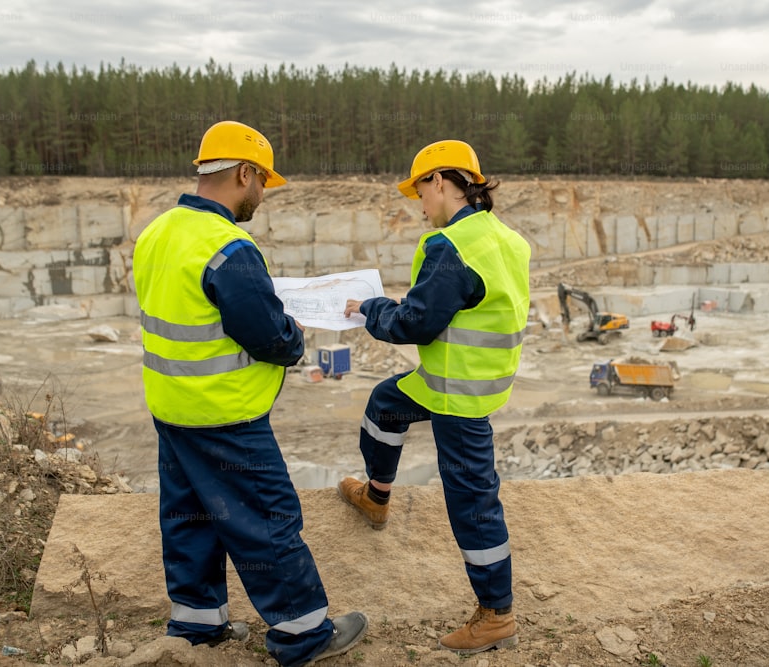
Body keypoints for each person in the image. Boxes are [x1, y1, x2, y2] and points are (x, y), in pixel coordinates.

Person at [132, 120, 367, 667]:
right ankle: (304, 635)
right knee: (266, 520)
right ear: (244, 173)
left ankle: (196, 626)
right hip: (226, 413)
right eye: (262, 182)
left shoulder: (158, 231)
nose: (262, 195)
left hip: (172, 407)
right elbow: (272, 339)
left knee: (189, 515)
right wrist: (294, 332)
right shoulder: (230, 247)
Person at [341, 139, 530, 655]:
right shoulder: (504, 238)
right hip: (471, 377)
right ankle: (376, 498)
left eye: (419, 190)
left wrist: (370, 309)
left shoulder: (451, 246)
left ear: (442, 182)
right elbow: (460, 308)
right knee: (386, 404)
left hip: (458, 392)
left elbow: (416, 324)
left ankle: (497, 615)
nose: (419, 203)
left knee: (472, 500)